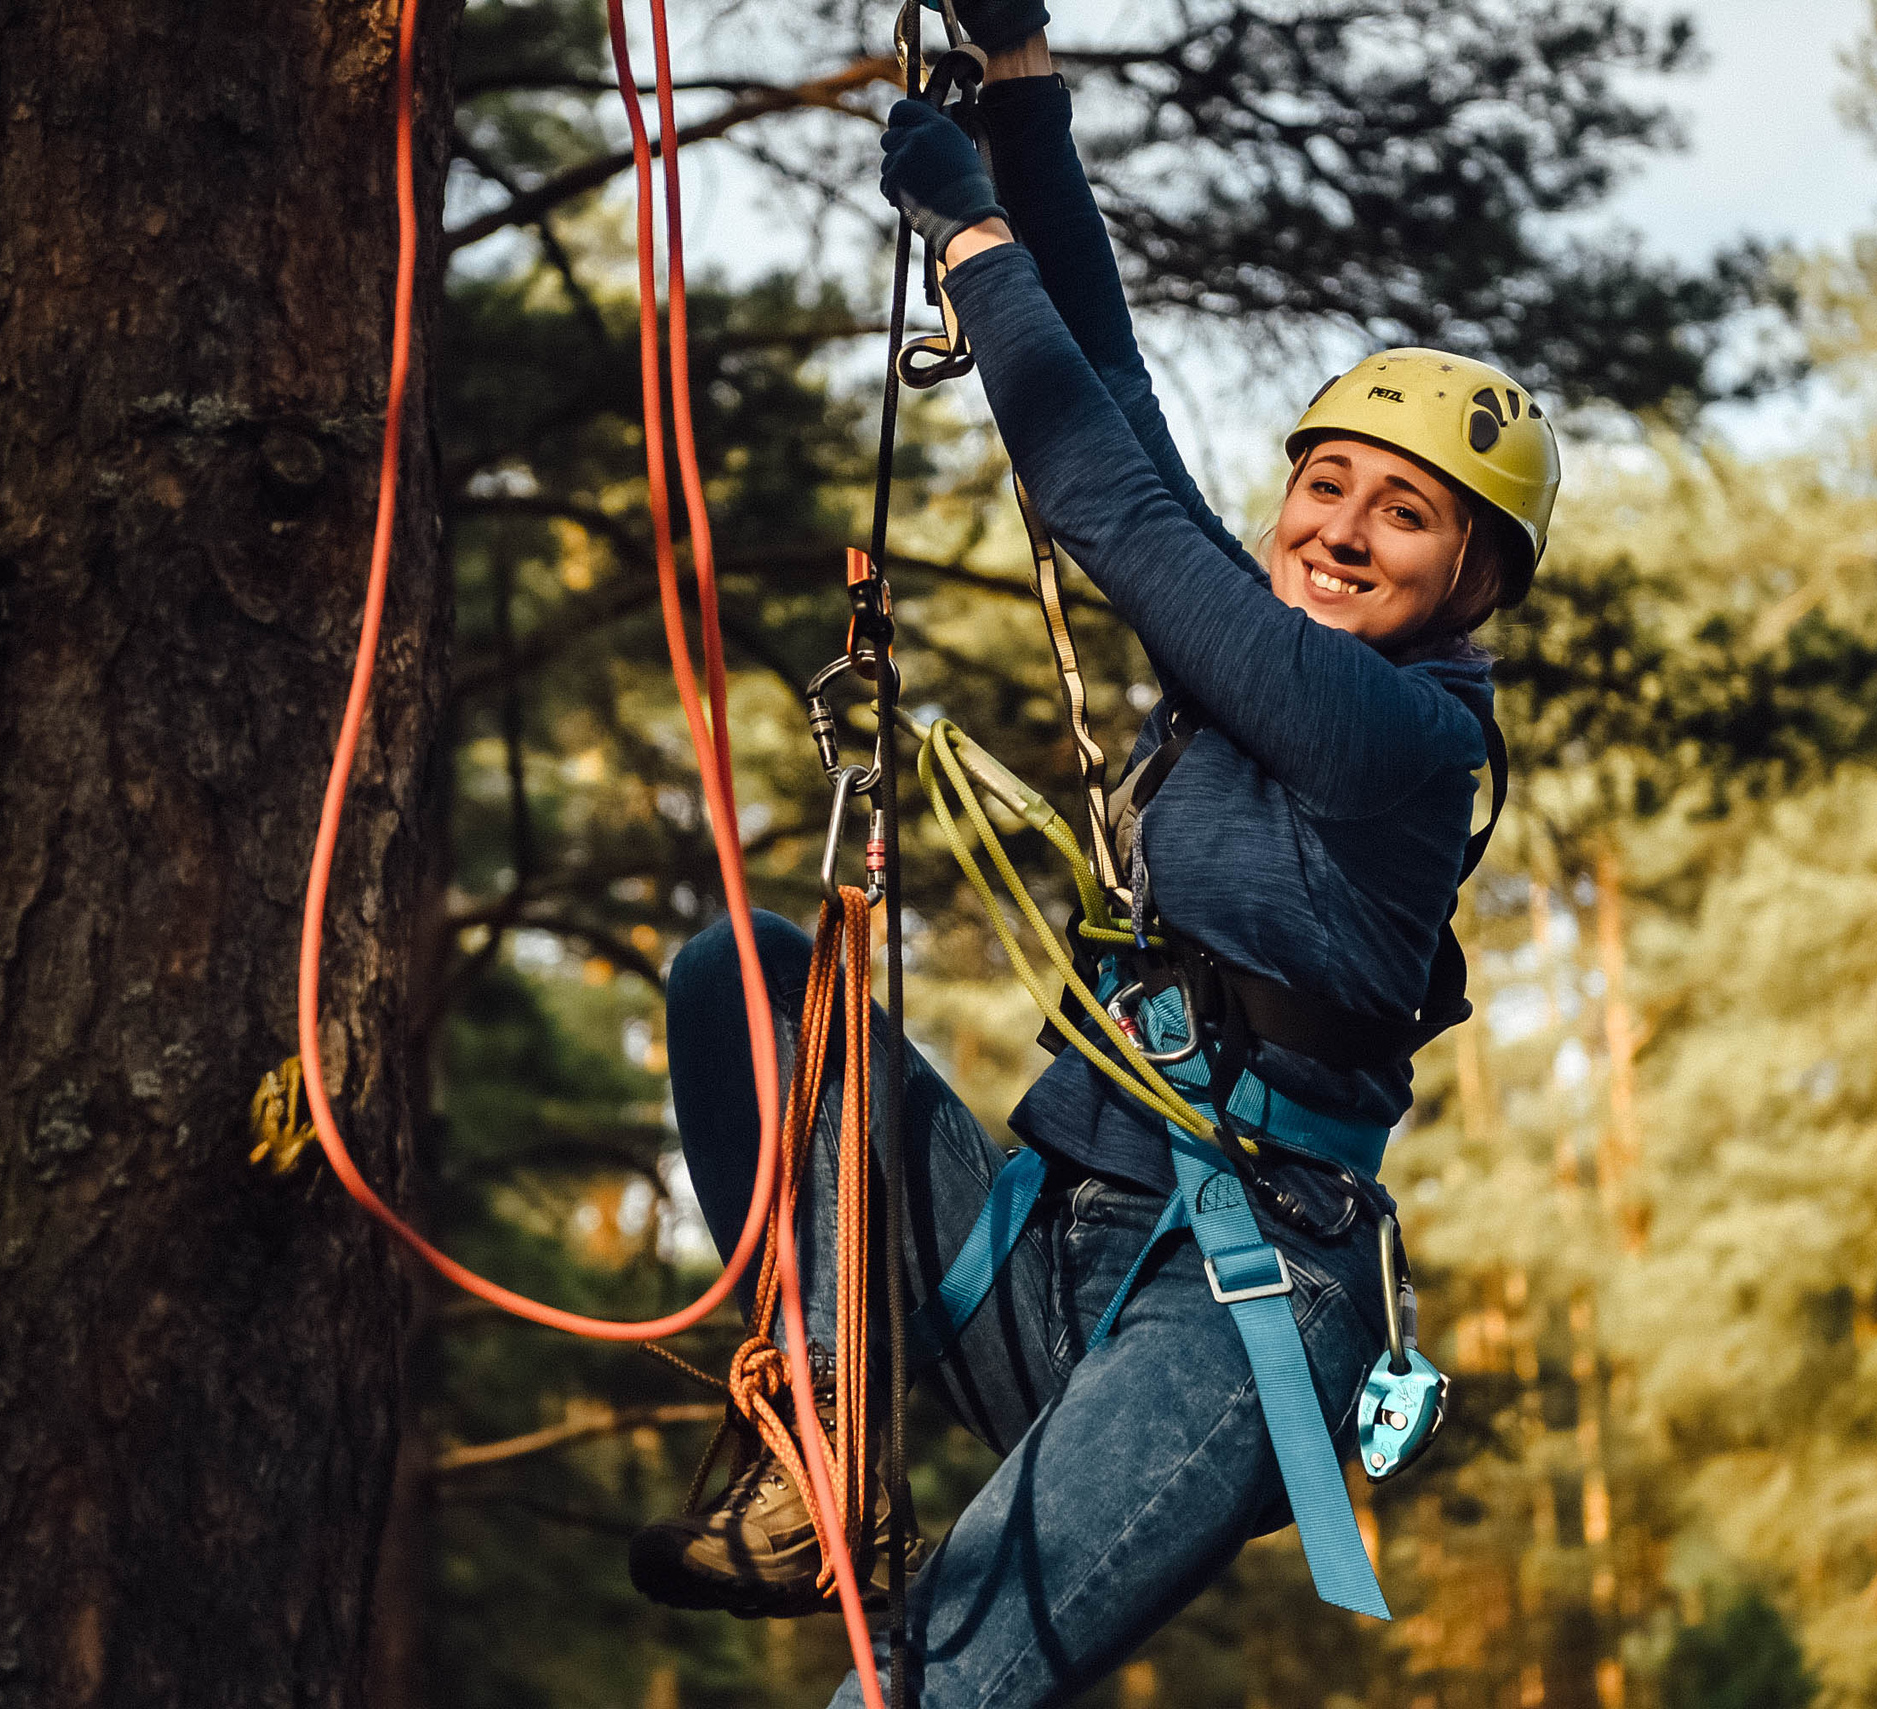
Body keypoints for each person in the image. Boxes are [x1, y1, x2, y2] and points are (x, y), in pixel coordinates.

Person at [629, 7, 1560, 1704]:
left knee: (916, 1687)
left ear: (1476, 583)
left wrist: (969, 239)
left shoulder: (1406, 741)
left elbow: (1112, 512)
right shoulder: (1250, 656)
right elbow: (1114, 397)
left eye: (1403, 514)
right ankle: (825, 1445)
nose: (1339, 528)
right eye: (1325, 485)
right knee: (740, 982)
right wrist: (1021, 83)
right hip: (1044, 1241)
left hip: (1236, 1300)